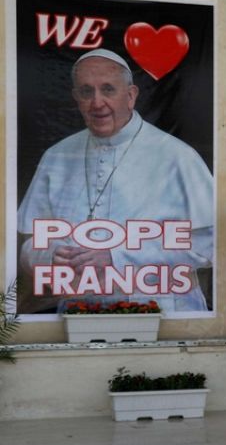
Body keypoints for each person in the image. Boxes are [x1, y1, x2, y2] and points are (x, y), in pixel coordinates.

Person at [16, 49, 214, 313]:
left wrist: (116, 257)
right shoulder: (56, 157)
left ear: (130, 96)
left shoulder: (177, 157)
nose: (97, 103)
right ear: (76, 98)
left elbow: (209, 244)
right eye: (86, 91)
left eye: (108, 89)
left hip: (166, 313)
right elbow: (29, 242)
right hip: (77, 313)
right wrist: (49, 256)